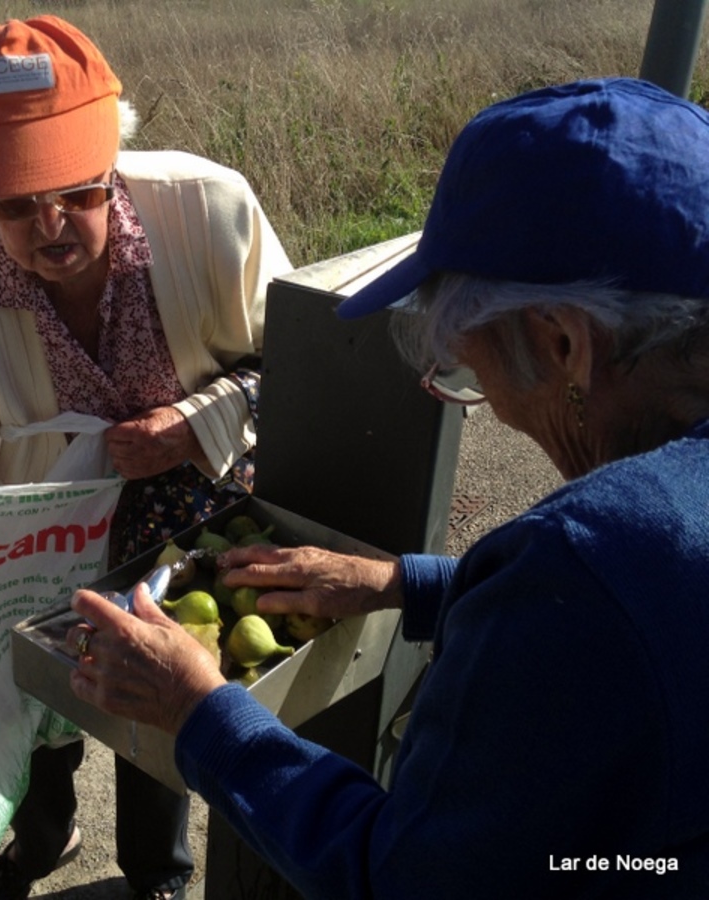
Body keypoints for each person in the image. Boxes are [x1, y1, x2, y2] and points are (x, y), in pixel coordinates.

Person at [65, 76, 709, 898]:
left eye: (464, 369)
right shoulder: (619, 561)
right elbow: (639, 615)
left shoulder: (582, 567)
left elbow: (404, 877)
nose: (489, 408)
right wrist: (403, 582)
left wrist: (199, 711)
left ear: (560, 344)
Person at [0, 16, 290, 900]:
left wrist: (198, 420)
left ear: (115, 149)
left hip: (193, 513)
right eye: (11, 202)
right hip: (43, 534)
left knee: (168, 686)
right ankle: (38, 840)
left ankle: (157, 872)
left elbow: (304, 362)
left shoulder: (211, 210)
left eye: (77, 190)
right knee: (37, 692)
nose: (50, 226)